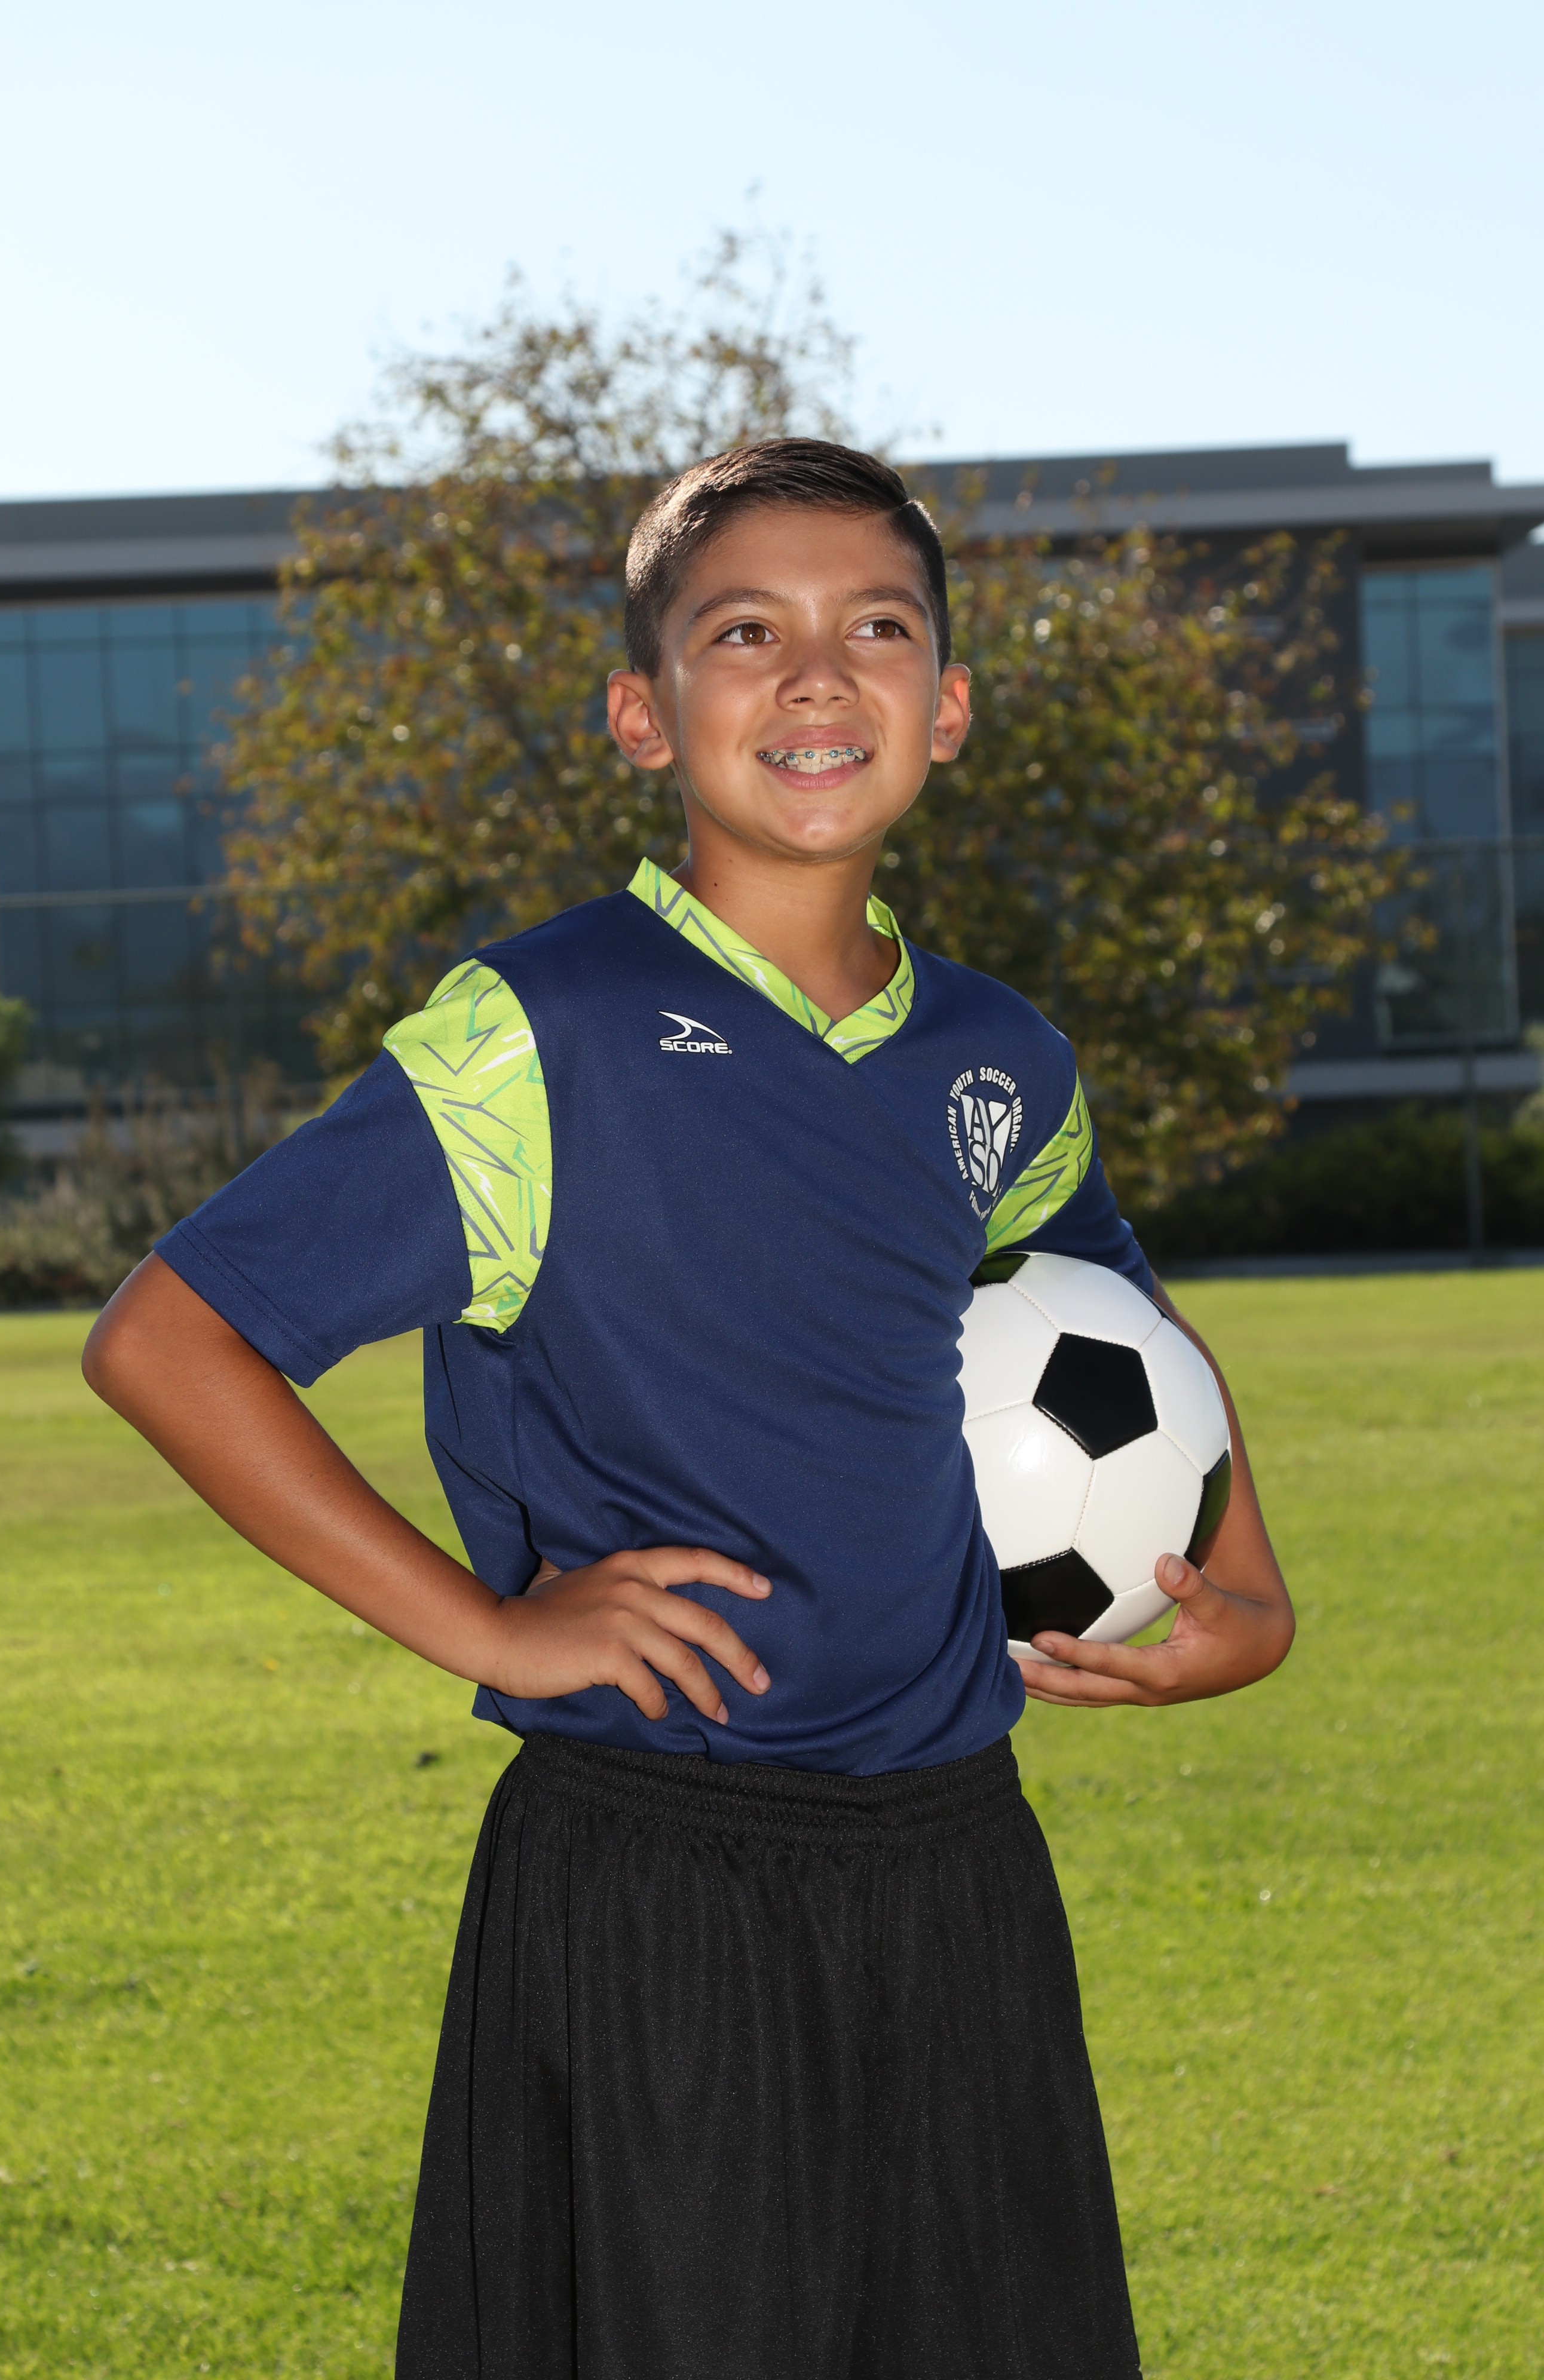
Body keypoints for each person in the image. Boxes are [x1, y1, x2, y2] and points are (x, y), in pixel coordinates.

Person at [83, 438, 1294, 2380]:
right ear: (643, 713)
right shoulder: (536, 1034)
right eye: (746, 633)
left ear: (948, 707)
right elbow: (170, 1338)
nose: (817, 675)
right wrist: (488, 1627)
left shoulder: (1001, 1058)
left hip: (960, 1873)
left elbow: (1125, 1320)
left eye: (876, 629)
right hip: (656, 1882)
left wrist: (1256, 1589)